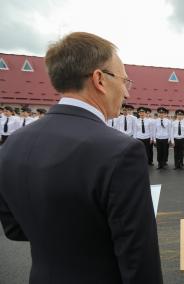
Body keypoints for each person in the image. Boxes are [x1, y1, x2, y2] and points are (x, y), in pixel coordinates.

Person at [0, 32, 163, 284]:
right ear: (99, 79)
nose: (127, 93)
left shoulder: (13, 143)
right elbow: (139, 257)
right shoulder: (121, 150)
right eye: (124, 81)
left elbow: (14, 228)